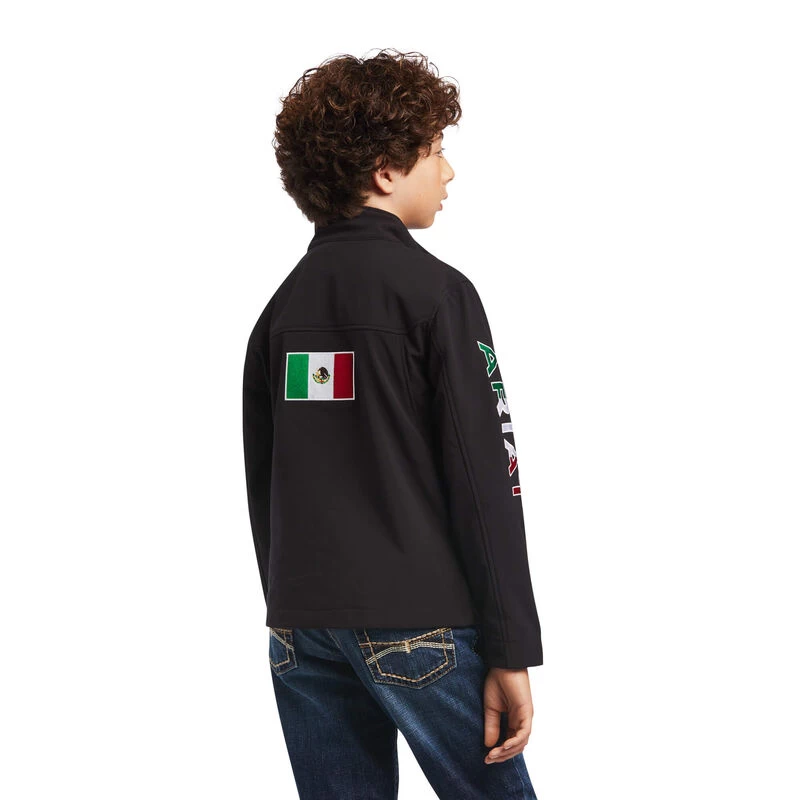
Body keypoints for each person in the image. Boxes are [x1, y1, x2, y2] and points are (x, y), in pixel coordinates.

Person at [242, 48, 543, 799]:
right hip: (419, 623)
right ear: (385, 171)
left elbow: (264, 481)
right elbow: (487, 476)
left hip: (302, 631)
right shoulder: (437, 296)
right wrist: (510, 646)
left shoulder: (279, 312)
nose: (449, 172)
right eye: (436, 151)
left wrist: (292, 608)